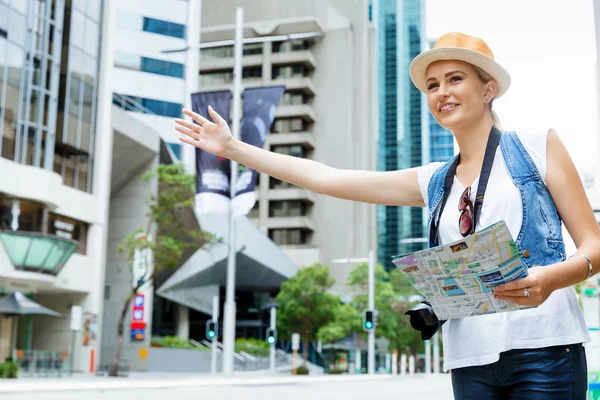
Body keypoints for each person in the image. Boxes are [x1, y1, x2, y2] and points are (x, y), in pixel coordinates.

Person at [175, 32, 600, 399]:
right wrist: (234, 149)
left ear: (488, 89)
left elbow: (594, 247)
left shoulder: (535, 146)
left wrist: (550, 280)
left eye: (455, 79)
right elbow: (328, 178)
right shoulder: (435, 179)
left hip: (546, 347)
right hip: (471, 358)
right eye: (432, 85)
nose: (441, 92)